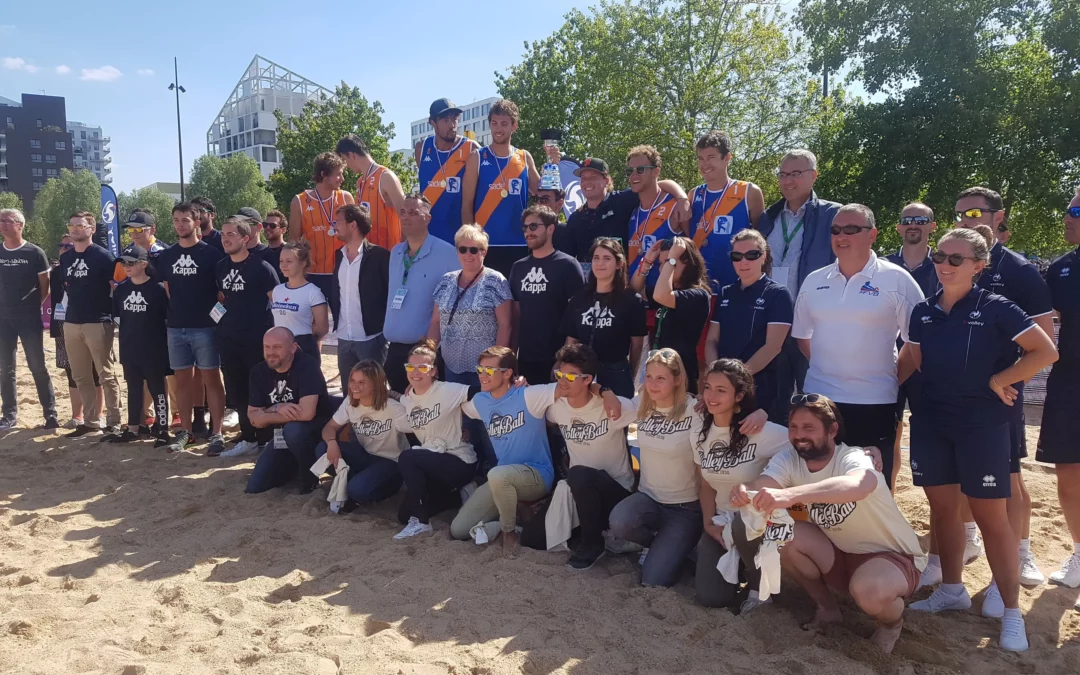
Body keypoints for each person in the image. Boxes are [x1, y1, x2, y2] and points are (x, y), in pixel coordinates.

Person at [905, 228, 1057, 652]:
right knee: (942, 511)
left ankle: (1011, 612)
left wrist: (999, 379)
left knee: (993, 519)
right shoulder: (922, 311)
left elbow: (1045, 351)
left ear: (978, 265)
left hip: (981, 425)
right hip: (933, 422)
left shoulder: (997, 307)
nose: (945, 265)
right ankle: (951, 589)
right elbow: (917, 359)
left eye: (957, 259)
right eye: (940, 256)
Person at [731, 394, 923, 655]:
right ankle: (828, 608)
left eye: (809, 428)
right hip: (838, 552)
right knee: (782, 535)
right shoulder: (789, 459)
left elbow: (859, 484)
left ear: (832, 430)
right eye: (794, 427)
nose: (799, 435)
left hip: (890, 556)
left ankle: (892, 624)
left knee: (869, 591)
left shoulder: (853, 456)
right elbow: (763, 483)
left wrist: (792, 495)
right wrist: (744, 490)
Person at [955, 186, 1055, 589]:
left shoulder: (1019, 271)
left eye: (975, 213)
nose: (967, 220)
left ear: (998, 216)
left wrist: (1008, 384)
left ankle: (1022, 551)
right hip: (958, 392)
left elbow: (1045, 342)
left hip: (1001, 394)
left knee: (1011, 478)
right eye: (960, 214)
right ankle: (968, 538)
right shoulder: (952, 262)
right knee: (961, 472)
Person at [791, 204, 925, 486]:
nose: (842, 235)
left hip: (875, 401)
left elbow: (916, 343)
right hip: (820, 399)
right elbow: (803, 337)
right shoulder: (814, 281)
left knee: (873, 486)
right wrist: (831, 369)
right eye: (836, 230)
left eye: (852, 229)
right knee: (815, 481)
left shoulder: (897, 280)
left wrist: (888, 378)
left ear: (872, 235)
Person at [454, 346, 620, 556]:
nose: (482, 376)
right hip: (502, 478)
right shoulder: (480, 401)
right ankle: (509, 520)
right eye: (480, 370)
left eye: (489, 371)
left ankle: (509, 532)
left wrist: (606, 391)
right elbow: (454, 405)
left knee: (496, 474)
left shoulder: (531, 395)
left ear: (507, 373)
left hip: (537, 475)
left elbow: (575, 384)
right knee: (458, 530)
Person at [522, 343, 636, 568]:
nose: (563, 381)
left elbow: (650, 410)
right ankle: (585, 532)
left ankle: (593, 544)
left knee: (580, 475)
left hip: (615, 493)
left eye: (572, 376)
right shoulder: (556, 407)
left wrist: (605, 391)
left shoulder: (613, 406)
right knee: (531, 539)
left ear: (588, 380)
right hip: (579, 493)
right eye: (560, 374)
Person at [694, 359, 790, 611]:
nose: (711, 396)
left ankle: (761, 589)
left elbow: (804, 442)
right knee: (710, 597)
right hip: (721, 523)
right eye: (707, 387)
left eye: (721, 390)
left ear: (739, 396)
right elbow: (705, 485)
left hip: (758, 524)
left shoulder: (759, 429)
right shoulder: (699, 431)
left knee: (742, 523)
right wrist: (707, 524)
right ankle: (742, 569)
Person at [608, 349, 701, 586]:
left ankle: (679, 547)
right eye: (648, 376)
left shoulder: (695, 409)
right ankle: (660, 544)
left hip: (685, 507)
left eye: (661, 378)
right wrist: (604, 390)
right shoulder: (643, 404)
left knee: (653, 580)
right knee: (619, 521)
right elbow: (609, 406)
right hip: (649, 498)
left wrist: (760, 413)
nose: (652, 384)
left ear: (677, 380)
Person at [157, 202, 228, 454]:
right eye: (176, 220)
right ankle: (186, 433)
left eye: (185, 220)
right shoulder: (166, 256)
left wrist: (212, 319)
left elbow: (222, 294)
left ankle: (217, 433)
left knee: (212, 379)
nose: (179, 225)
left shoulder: (212, 255)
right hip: (176, 328)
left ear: (197, 222)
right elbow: (168, 290)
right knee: (182, 382)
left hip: (205, 328)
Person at [394, 339, 479, 539]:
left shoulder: (448, 389)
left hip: (459, 460)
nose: (415, 372)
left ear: (433, 371)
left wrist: (516, 384)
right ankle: (457, 495)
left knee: (408, 457)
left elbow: (482, 391)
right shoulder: (408, 399)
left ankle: (422, 524)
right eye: (411, 367)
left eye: (422, 367)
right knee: (404, 515)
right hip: (432, 462)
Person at [1038, 188, 1080, 588]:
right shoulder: (1061, 269)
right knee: (1068, 469)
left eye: (1077, 211)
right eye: (1068, 210)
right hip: (1069, 381)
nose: (1068, 217)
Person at [704, 229, 793, 420]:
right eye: (737, 256)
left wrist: (737, 380)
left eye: (752, 255)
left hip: (761, 392)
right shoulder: (726, 293)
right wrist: (716, 375)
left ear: (764, 257)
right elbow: (711, 339)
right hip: (725, 391)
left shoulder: (778, 294)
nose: (744, 261)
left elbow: (773, 347)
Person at [214, 216, 280, 458]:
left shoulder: (262, 268)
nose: (226, 239)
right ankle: (249, 437)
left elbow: (276, 302)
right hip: (229, 338)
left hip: (257, 340)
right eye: (223, 235)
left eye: (231, 235)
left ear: (245, 237)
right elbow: (223, 299)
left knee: (260, 389)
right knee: (236, 389)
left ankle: (266, 439)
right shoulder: (220, 266)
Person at [383, 194, 460, 395]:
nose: (406, 217)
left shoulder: (447, 253)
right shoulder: (396, 252)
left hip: (424, 352)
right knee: (401, 408)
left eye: (413, 213)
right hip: (394, 349)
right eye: (402, 212)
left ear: (427, 218)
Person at [244, 327, 336, 494]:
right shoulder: (259, 371)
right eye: (267, 347)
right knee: (255, 487)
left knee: (294, 430)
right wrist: (278, 407)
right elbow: (253, 418)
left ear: (293, 348)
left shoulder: (306, 365)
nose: (271, 352)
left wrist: (266, 413)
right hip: (280, 437)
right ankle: (293, 466)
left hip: (314, 432)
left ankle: (310, 479)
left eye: (277, 347)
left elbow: (307, 413)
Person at [555, 156, 689, 268]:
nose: (587, 182)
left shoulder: (621, 201)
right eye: (583, 178)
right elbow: (569, 259)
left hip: (620, 286)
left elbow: (657, 185)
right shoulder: (575, 218)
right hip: (588, 288)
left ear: (606, 180)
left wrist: (682, 198)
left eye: (593, 177)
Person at [58, 211, 122, 437]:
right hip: (72, 322)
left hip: (98, 321)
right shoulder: (66, 258)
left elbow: (116, 288)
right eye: (72, 225)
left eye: (80, 226)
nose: (75, 229)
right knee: (80, 375)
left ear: (91, 229)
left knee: (106, 374)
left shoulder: (104, 257)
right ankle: (91, 420)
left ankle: (114, 420)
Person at [461, 99, 539, 277]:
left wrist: (553, 164)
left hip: (520, 243)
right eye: (494, 123)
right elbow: (467, 204)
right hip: (486, 245)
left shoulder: (524, 157)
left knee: (517, 301)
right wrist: (469, 243)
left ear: (514, 126)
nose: (498, 129)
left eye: (504, 124)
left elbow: (540, 192)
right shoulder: (477, 157)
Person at [510, 205, 585, 385]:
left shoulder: (568, 265)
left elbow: (576, 317)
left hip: (557, 360)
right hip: (526, 360)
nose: (528, 232)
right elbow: (515, 316)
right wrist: (512, 358)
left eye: (534, 226)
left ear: (551, 228)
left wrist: (563, 360)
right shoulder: (518, 267)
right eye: (525, 228)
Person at [429, 225, 512, 387]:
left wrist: (496, 365)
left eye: (474, 250)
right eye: (462, 249)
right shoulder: (445, 281)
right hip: (451, 367)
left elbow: (506, 325)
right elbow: (435, 322)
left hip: (485, 371)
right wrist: (429, 358)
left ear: (484, 252)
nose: (468, 254)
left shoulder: (496, 281)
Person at [316, 360, 409, 506]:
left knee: (357, 490)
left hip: (391, 461)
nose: (354, 386)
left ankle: (376, 489)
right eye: (352, 380)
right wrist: (332, 443)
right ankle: (351, 483)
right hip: (365, 455)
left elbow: (418, 429)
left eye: (361, 382)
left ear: (376, 383)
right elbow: (329, 427)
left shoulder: (393, 407)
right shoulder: (350, 401)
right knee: (323, 448)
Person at [561, 238, 647, 397]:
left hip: (616, 373)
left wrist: (630, 375)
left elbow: (637, 346)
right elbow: (571, 340)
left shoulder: (631, 301)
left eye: (607, 258)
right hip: (581, 375)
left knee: (617, 420)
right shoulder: (579, 299)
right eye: (596, 258)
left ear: (619, 264)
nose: (600, 263)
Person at [687, 130, 766, 293]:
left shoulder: (749, 192)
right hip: (699, 288)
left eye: (711, 158)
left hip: (737, 287)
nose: (705, 164)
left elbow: (762, 240)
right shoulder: (693, 194)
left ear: (727, 158)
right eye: (700, 158)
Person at [107, 245, 170, 446]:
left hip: (153, 350)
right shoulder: (122, 289)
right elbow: (117, 316)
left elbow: (166, 318)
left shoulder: (158, 289)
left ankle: (162, 429)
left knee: (157, 390)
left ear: (143, 264)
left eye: (131, 263)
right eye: (124, 263)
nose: (126, 266)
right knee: (133, 389)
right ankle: (133, 428)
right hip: (129, 348)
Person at [0, 207, 56, 431]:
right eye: (0, 220)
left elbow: (45, 287)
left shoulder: (34, 253)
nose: (3, 224)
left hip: (28, 317)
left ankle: (50, 414)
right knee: (5, 369)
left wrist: (30, 306)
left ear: (20, 225)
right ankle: (9, 415)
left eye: (7, 220)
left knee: (37, 366)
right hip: (3, 318)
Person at [631, 236, 711, 391]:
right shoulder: (667, 289)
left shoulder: (698, 295)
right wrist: (647, 261)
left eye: (668, 262)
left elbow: (661, 296)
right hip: (659, 374)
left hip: (680, 377)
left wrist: (672, 258)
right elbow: (636, 289)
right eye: (661, 264)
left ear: (687, 262)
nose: (662, 269)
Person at [329, 203, 390, 384]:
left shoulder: (380, 256)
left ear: (352, 225)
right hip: (343, 338)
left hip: (371, 339)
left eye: (338, 221)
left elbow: (389, 294)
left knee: (374, 393)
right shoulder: (339, 255)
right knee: (349, 396)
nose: (334, 226)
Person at [51, 236, 102, 429]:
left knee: (96, 371)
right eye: (61, 245)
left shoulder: (90, 265)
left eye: (68, 245)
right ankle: (77, 416)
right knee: (71, 371)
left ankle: (97, 414)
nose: (64, 249)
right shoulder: (56, 271)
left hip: (89, 322)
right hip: (63, 324)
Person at [289, 152, 355, 300]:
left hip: (342, 272)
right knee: (313, 322)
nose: (342, 179)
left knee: (342, 320)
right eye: (338, 174)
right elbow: (293, 241)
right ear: (324, 174)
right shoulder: (299, 201)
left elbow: (355, 235)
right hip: (312, 274)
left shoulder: (345, 197)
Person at [416, 98, 481, 245]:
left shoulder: (471, 149)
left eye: (454, 119)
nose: (452, 125)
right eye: (445, 120)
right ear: (433, 122)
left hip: (459, 237)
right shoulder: (422, 148)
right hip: (428, 237)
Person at [625, 146, 688, 292]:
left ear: (656, 171)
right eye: (630, 171)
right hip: (637, 297)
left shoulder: (675, 207)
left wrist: (682, 198)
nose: (634, 176)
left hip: (667, 298)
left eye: (640, 170)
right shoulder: (633, 209)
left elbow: (694, 249)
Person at [336, 133, 405, 250]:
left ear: (352, 155)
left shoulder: (386, 177)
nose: (346, 166)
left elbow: (405, 216)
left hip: (389, 253)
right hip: (368, 254)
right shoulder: (360, 182)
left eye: (345, 160)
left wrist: (404, 250)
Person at [271, 242, 329, 358]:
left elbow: (322, 328)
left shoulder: (313, 292)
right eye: (281, 261)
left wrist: (306, 342)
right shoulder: (277, 290)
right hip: (280, 348)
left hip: (304, 349)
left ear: (302, 263)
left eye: (289, 261)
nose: (284, 265)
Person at [113, 210, 167, 283]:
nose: (134, 233)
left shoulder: (165, 253)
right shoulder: (125, 254)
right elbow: (117, 282)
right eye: (131, 229)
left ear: (152, 229)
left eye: (139, 229)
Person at [260, 209, 287, 279]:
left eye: (272, 225)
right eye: (265, 225)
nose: (267, 228)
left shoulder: (291, 252)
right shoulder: (260, 254)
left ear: (283, 230)